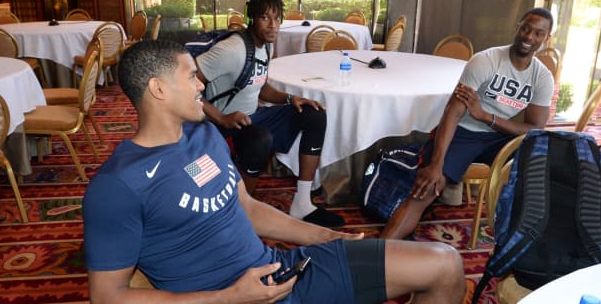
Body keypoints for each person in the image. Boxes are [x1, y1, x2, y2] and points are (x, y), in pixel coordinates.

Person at [83, 40, 466, 304]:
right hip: (229, 298)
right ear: (158, 90)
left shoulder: (202, 134)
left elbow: (247, 209)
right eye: (190, 76)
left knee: (445, 263)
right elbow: (109, 296)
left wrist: (326, 237)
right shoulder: (117, 186)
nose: (202, 83)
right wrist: (230, 297)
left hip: (279, 272)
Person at [380, 7, 555, 240]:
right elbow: (452, 113)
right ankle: (377, 254)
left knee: (541, 173)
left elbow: (534, 129)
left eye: (538, 33)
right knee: (425, 190)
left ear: (547, 38)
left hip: (501, 134)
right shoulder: (485, 61)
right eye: (526, 29)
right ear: (518, 27)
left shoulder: (542, 77)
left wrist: (486, 116)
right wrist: (436, 163)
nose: (529, 37)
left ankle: (526, 249)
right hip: (465, 131)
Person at [195, 0, 344, 228]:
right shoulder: (231, 50)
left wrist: (290, 99)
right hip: (220, 123)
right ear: (252, 19)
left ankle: (302, 204)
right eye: (265, 18)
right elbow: (184, 83)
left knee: (314, 114)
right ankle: (240, 212)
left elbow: (260, 87)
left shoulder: (265, 47)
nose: (273, 25)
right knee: (260, 139)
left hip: (250, 117)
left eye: (277, 18)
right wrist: (221, 117)